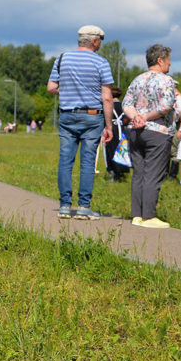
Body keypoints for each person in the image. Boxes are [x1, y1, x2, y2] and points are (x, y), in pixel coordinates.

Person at [47, 24, 114, 220]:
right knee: (87, 162)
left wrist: (68, 90)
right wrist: (109, 126)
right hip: (92, 117)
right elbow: (107, 97)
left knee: (65, 161)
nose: (100, 44)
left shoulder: (62, 59)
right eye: (100, 40)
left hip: (67, 115)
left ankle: (65, 206)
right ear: (94, 41)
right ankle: (84, 207)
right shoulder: (101, 63)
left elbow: (51, 87)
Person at [121, 44, 177, 229]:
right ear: (160, 61)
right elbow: (166, 105)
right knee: (153, 174)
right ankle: (149, 216)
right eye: (168, 60)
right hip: (158, 132)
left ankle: (136, 215)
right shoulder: (166, 81)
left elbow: (126, 104)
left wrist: (136, 117)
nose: (169, 64)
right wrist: (145, 117)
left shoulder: (137, 80)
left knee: (139, 173)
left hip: (135, 131)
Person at [104, 87, 130, 183]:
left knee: (110, 150)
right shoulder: (124, 106)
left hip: (111, 129)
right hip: (122, 130)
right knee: (121, 150)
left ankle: (112, 172)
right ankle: (121, 173)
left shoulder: (108, 105)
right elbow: (127, 119)